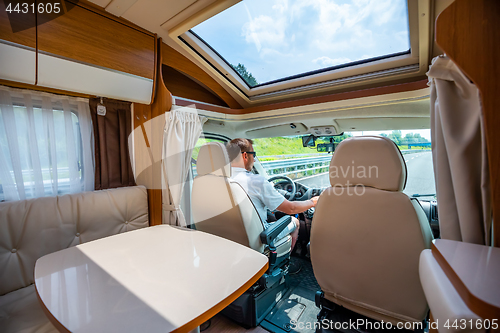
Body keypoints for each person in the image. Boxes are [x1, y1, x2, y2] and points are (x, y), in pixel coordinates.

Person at [227, 138, 319, 274]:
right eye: (254, 154)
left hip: (227, 236)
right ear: (245, 156)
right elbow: (291, 208)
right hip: (254, 237)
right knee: (295, 221)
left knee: (272, 217)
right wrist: (312, 202)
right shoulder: (255, 181)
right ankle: (284, 264)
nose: (254, 158)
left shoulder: (217, 179)